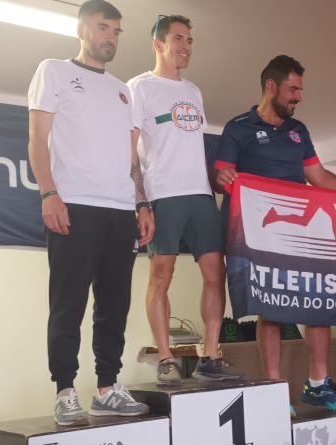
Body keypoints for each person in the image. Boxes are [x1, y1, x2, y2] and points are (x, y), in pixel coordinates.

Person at [214, 55, 336, 413]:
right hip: (261, 234)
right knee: (271, 307)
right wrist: (224, 178)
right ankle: (274, 388)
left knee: (318, 302)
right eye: (293, 89)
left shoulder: (299, 131)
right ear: (271, 86)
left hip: (304, 235)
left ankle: (319, 384)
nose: (299, 97)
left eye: (300, 90)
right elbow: (222, 175)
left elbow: (317, 176)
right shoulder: (237, 127)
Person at [28, 0, 152, 425]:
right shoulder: (54, 71)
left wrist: (141, 202)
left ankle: (107, 388)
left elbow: (131, 155)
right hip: (75, 203)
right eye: (103, 28)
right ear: (82, 29)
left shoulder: (124, 90)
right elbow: (37, 139)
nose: (110, 37)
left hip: (120, 209)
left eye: (116, 31)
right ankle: (65, 390)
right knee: (69, 303)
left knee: (114, 304)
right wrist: (49, 194)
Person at [128, 15, 245, 385]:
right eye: (178, 38)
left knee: (215, 272)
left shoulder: (193, 90)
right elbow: (129, 149)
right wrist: (140, 201)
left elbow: (189, 147)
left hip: (200, 194)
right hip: (163, 193)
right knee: (162, 274)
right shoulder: (139, 87)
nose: (186, 47)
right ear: (158, 44)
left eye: (190, 40)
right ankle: (166, 359)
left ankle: (210, 356)